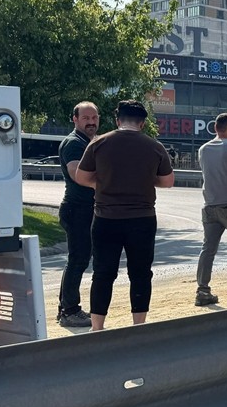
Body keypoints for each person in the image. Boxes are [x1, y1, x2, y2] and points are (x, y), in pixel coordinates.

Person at [74, 100, 174, 330]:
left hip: (105, 218)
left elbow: (81, 177)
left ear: (118, 120)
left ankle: (97, 326)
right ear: (143, 123)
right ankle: (138, 325)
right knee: (140, 273)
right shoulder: (154, 146)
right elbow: (168, 181)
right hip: (142, 219)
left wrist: (103, 184)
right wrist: (146, 180)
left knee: (102, 273)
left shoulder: (99, 143)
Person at [56, 101, 99, 328]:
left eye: (94, 117)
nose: (91, 122)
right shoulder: (74, 143)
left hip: (82, 209)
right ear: (75, 119)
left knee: (77, 259)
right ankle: (70, 311)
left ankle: (65, 307)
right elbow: (78, 175)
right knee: (78, 259)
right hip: (77, 210)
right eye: (86, 118)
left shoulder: (88, 141)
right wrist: (110, 184)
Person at [195, 112, 227, 307]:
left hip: (209, 207)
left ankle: (202, 290)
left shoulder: (203, 149)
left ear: (215, 128)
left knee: (208, 249)